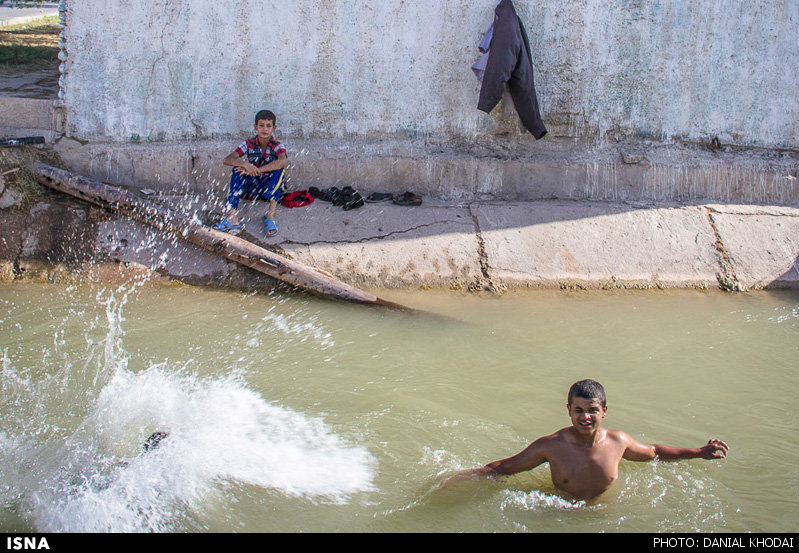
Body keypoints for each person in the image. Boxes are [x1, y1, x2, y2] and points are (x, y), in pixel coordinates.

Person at [441, 379, 728, 501]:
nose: (585, 417)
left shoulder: (619, 442)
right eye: (578, 410)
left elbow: (654, 452)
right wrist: (468, 476)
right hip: (561, 514)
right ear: (569, 411)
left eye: (592, 410)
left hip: (603, 514)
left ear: (605, 411)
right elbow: (505, 467)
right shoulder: (550, 446)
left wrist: (699, 452)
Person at [213, 109, 288, 237]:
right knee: (236, 170)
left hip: (269, 186)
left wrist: (257, 170)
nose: (265, 129)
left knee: (279, 170)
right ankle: (232, 218)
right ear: (255, 127)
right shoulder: (248, 144)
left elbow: (282, 162)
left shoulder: (277, 145)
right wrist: (244, 164)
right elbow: (227, 159)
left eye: (268, 126)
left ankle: (270, 215)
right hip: (252, 186)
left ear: (273, 128)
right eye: (261, 125)